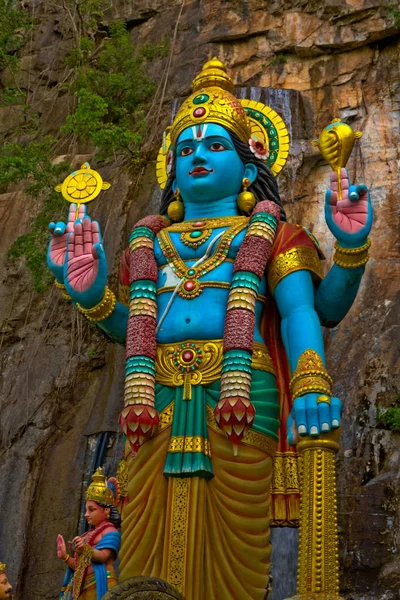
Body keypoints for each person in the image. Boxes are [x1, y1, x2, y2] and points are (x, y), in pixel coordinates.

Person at [47, 59, 372, 600]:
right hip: (153, 398)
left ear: (248, 170)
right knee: (147, 526)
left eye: (215, 145)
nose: (197, 154)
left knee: (237, 532)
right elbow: (135, 331)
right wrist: (91, 296)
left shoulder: (275, 235)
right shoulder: (147, 247)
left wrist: (351, 251)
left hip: (243, 391)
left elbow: (308, 311)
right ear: (171, 172)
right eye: (186, 148)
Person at [57, 468, 121, 600]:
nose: (86, 514)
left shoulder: (111, 532)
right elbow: (80, 566)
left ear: (107, 511)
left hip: (102, 583)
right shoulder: (87, 535)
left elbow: (103, 556)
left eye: (92, 510)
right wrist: (65, 557)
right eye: (86, 510)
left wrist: (84, 549)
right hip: (81, 587)